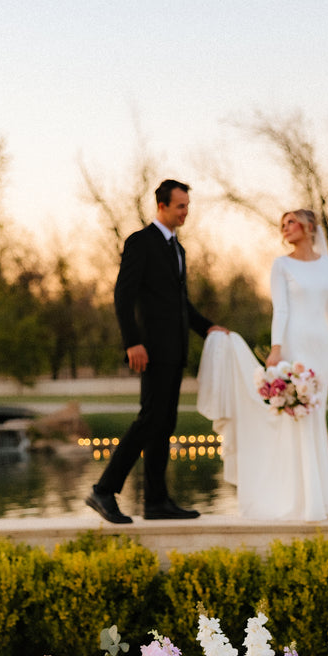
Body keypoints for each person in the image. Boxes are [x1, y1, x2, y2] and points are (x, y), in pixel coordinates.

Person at [197, 209, 328, 520]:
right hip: (295, 346)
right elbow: (281, 310)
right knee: (298, 417)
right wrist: (277, 349)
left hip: (319, 346)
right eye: (283, 224)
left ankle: (321, 501)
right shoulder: (281, 265)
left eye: (291, 222)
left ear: (308, 226)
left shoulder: (327, 264)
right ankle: (301, 502)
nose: (285, 228)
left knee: (316, 417)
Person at [85, 179, 225, 524]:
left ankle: (157, 502)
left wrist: (207, 327)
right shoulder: (140, 242)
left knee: (164, 424)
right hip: (150, 349)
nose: (185, 211)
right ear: (162, 206)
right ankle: (103, 490)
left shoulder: (178, 250)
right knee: (149, 419)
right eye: (180, 206)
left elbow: (181, 304)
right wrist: (132, 342)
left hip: (175, 350)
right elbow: (123, 295)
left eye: (187, 206)